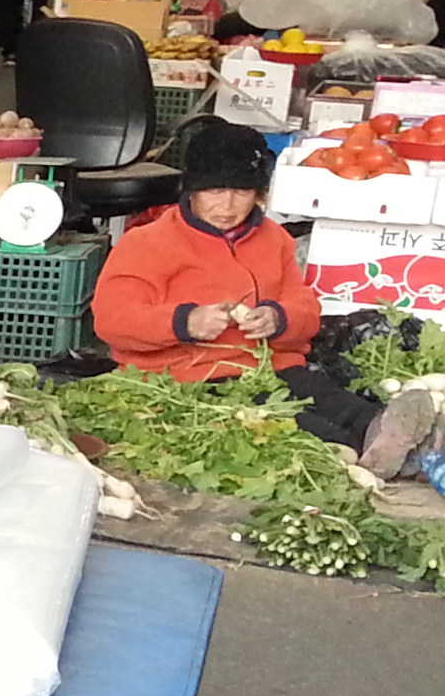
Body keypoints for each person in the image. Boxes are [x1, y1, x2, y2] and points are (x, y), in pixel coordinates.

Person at [93, 121, 428, 465]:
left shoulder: (275, 239)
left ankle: (398, 441)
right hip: (195, 378)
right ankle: (374, 455)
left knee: (345, 406)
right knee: (309, 430)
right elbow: (112, 319)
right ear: (191, 191)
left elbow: (306, 307)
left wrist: (278, 318)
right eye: (214, 191)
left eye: (240, 193)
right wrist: (184, 322)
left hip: (272, 365)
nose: (226, 205)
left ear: (259, 195)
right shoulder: (147, 243)